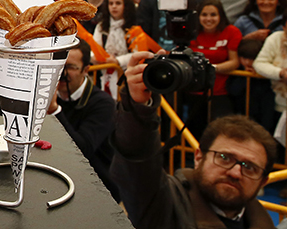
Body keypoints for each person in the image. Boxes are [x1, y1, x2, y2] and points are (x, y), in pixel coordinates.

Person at [115, 50, 277, 229]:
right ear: (199, 157)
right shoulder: (164, 204)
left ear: (263, 181)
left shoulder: (261, 220)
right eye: (224, 158)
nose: (235, 172)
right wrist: (138, 106)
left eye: (250, 167)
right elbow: (137, 167)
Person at [48, 40, 118, 201]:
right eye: (58, 66)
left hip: (98, 186)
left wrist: (54, 110)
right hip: (59, 178)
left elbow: (82, 149)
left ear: (86, 70)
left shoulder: (103, 103)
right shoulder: (48, 95)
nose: (62, 74)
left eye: (70, 67)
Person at [188, 0, 241, 133]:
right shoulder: (191, 32)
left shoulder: (231, 31)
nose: (208, 19)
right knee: (195, 131)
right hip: (194, 92)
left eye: (213, 15)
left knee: (219, 132)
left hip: (220, 92)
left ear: (220, 16)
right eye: (204, 15)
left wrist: (211, 68)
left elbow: (234, 62)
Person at [93, 0, 136, 98]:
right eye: (111, 3)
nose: (114, 6)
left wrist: (117, 61)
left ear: (126, 6)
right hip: (103, 72)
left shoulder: (134, 27)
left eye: (118, 3)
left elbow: (138, 53)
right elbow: (93, 47)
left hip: (127, 74)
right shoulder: (102, 26)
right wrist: (97, 58)